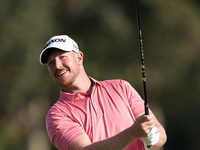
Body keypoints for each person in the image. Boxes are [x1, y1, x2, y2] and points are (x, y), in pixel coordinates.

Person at [40, 35, 167, 150]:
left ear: (79, 58)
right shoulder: (57, 115)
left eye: (62, 57)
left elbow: (158, 133)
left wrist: (154, 136)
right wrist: (133, 133)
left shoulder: (121, 87)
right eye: (51, 63)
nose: (57, 65)